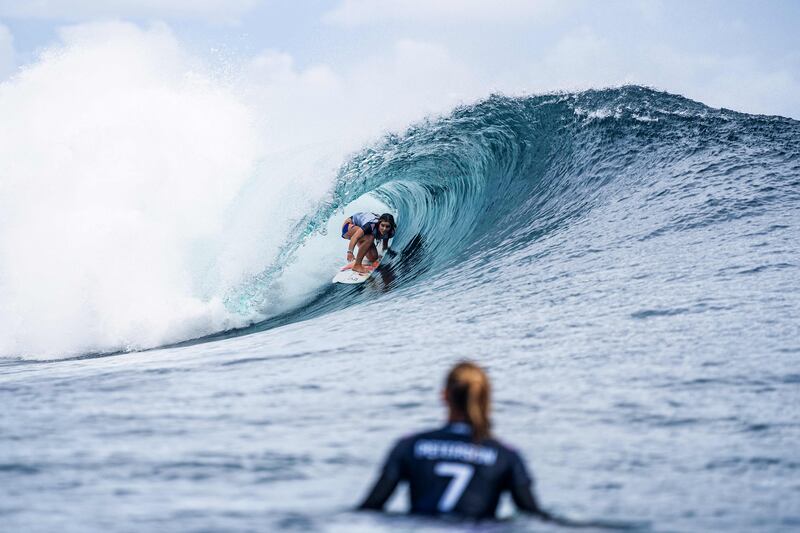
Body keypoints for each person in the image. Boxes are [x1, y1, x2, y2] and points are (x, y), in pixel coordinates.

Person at [357, 361, 556, 521]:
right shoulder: (506, 455)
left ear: (444, 396)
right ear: (485, 398)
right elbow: (533, 516)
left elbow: (369, 509)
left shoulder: (410, 445)